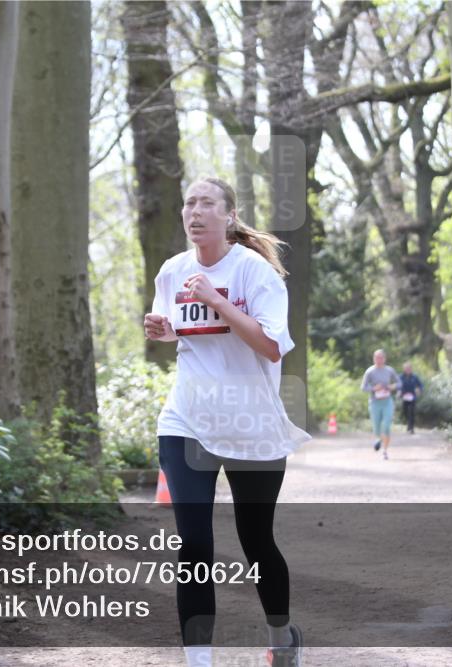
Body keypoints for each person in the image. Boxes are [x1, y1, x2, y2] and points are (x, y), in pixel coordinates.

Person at [144, 176, 311, 667]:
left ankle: (281, 636)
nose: (195, 212)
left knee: (256, 541)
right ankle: (199, 661)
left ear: (229, 216)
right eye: (189, 204)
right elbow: (176, 330)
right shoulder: (173, 271)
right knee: (194, 543)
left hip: (251, 424)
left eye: (207, 204)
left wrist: (217, 301)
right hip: (187, 420)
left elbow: (271, 346)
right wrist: (162, 330)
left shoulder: (254, 272)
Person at [360, 349, 400, 459]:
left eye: (381, 358)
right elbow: (363, 387)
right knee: (377, 427)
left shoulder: (389, 370)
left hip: (387, 401)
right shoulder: (370, 372)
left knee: (386, 425)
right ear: (374, 359)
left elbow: (399, 382)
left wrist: (393, 386)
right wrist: (374, 388)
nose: (379, 360)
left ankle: (385, 451)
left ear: (384, 359)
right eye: (377, 358)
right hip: (375, 402)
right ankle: (378, 438)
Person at [398, 362, 424, 434]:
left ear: (411, 369)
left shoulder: (415, 377)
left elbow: (421, 385)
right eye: (406, 368)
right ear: (404, 369)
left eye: (409, 368)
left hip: (413, 398)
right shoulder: (400, 377)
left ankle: (411, 428)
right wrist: (399, 391)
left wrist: (419, 390)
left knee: (411, 412)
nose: (408, 370)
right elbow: (397, 385)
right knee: (405, 412)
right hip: (404, 397)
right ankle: (408, 424)